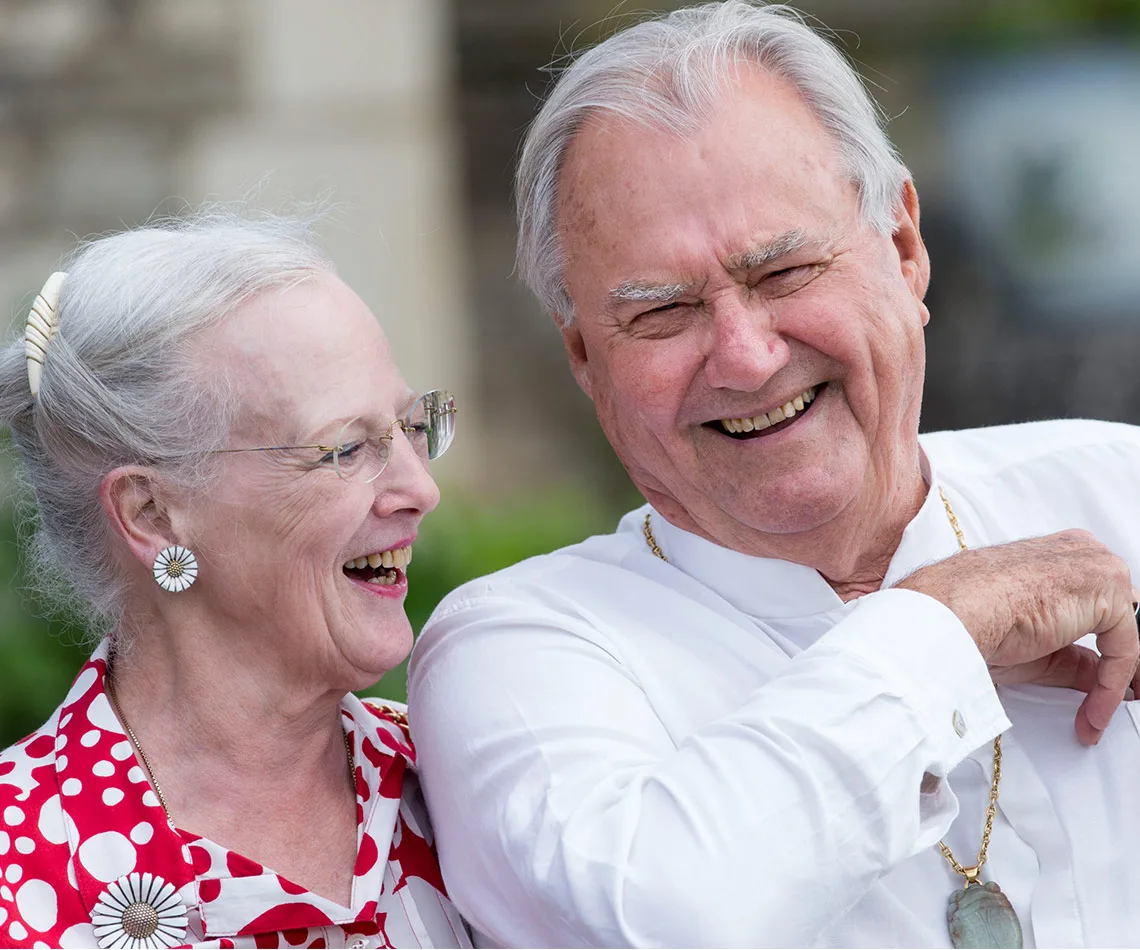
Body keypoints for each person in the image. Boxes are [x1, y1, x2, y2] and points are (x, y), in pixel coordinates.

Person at [407, 2, 1140, 946]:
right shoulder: (520, 653)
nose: (746, 358)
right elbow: (666, 921)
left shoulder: (1117, 489)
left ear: (905, 250)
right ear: (586, 358)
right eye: (663, 311)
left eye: (785, 272)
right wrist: (942, 627)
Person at [0, 210, 470, 948]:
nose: (420, 489)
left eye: (412, 426)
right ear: (151, 512)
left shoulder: (469, 782)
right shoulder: (20, 873)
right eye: (346, 449)